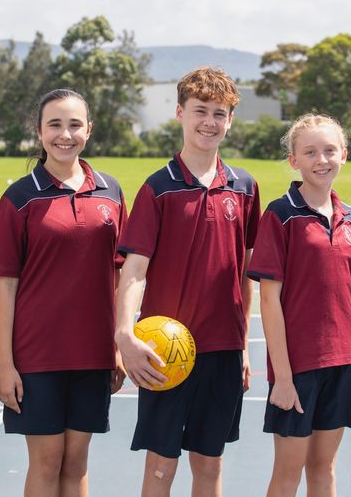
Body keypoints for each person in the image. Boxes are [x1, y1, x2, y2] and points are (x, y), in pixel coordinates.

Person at [114, 66, 261, 496]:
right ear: (179, 113)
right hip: (166, 352)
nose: (209, 122)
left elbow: (244, 275)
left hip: (224, 349)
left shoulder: (245, 188)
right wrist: (124, 334)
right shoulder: (157, 189)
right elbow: (134, 270)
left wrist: (245, 346)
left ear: (230, 121)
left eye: (220, 113)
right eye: (200, 111)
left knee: (209, 466)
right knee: (161, 466)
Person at [0, 89, 127, 497]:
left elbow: (120, 278)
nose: (66, 134)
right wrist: (5, 365)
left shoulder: (111, 192)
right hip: (37, 357)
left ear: (89, 130)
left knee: (77, 464)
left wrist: (116, 346)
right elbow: (5, 287)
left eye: (75, 124)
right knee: (46, 463)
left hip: (93, 355)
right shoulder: (20, 198)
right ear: (39, 131)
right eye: (55, 125)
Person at [246, 114, 351, 497]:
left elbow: (348, 297)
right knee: (288, 474)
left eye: (330, 150)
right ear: (294, 160)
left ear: (344, 155)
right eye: (310, 152)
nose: (322, 160)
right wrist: (282, 378)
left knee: (324, 469)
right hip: (298, 368)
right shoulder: (280, 215)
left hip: (343, 362)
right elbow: (269, 300)